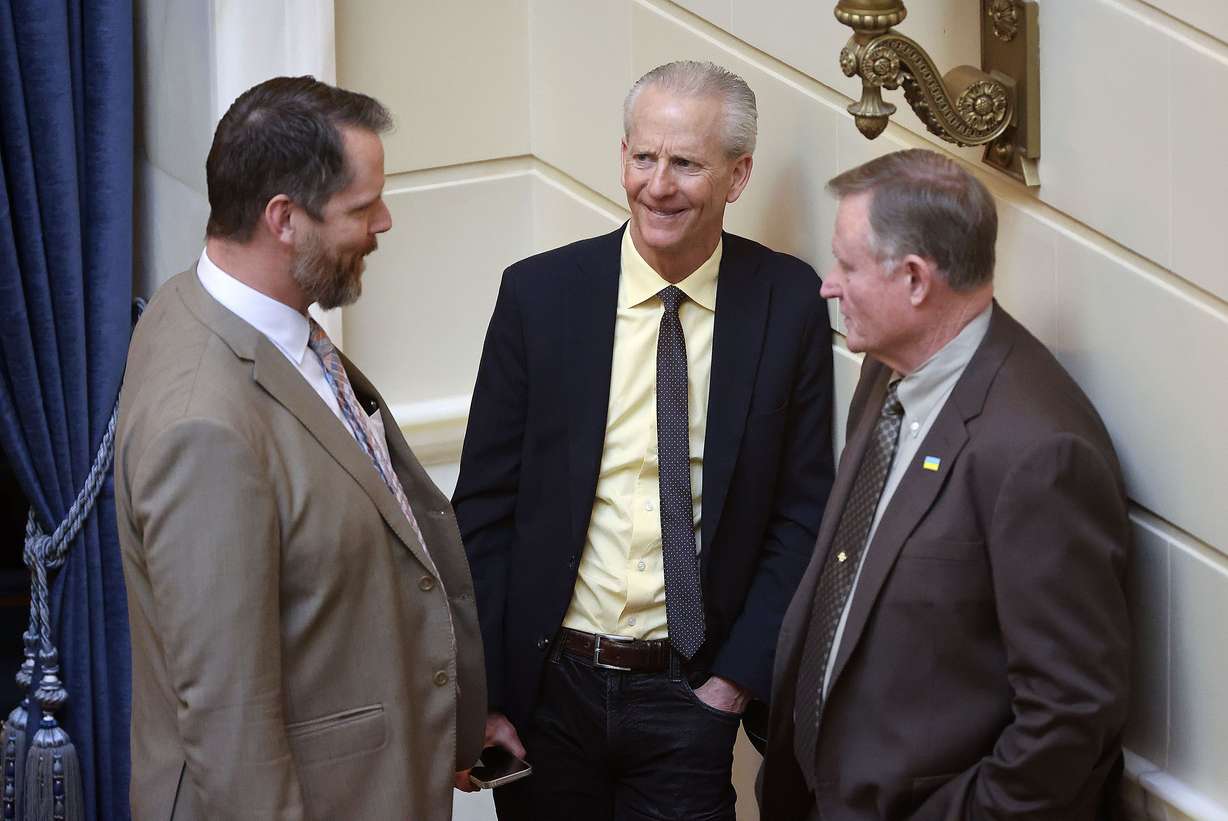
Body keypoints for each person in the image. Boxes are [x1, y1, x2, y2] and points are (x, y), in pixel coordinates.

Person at [452, 60, 835, 821]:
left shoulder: (787, 303)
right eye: (643, 157)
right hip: (549, 687)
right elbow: (484, 510)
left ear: (737, 175)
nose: (658, 185)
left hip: (689, 692)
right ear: (623, 155)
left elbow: (803, 513)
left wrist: (730, 686)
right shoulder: (539, 296)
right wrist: (485, 694)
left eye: (687, 163)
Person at [114, 76, 485, 820]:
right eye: (360, 207)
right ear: (283, 218)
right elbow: (231, 723)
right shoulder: (204, 429)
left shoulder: (222, 307)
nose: (384, 221)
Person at [759, 148, 1131, 820]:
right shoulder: (889, 371)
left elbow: (1070, 718)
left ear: (914, 280)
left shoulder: (1039, 453)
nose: (828, 285)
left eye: (847, 265)